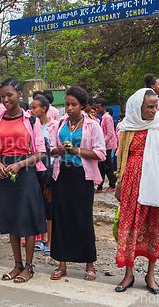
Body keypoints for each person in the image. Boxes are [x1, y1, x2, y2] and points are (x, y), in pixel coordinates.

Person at [114, 88, 159, 295]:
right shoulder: (128, 126)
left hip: (157, 180)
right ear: (137, 108)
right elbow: (121, 156)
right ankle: (129, 274)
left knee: (154, 224)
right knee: (131, 224)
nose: (153, 110)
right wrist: (119, 182)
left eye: (154, 106)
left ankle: (150, 275)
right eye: (149, 107)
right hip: (133, 181)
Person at [0, 78, 47, 283]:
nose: (5, 99)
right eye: (2, 96)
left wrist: (20, 164)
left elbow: (41, 153)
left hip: (25, 174)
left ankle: (29, 266)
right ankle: (17, 265)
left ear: (19, 95)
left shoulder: (31, 120)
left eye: (9, 95)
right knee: (11, 219)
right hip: (5, 174)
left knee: (27, 219)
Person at [50, 86, 106, 281]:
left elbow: (101, 153)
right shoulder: (60, 124)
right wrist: (58, 150)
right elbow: (51, 149)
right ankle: (62, 264)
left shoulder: (92, 125)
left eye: (74, 104)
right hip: (62, 175)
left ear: (82, 105)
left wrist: (76, 151)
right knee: (62, 219)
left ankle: (89, 264)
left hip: (83, 177)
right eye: (67, 104)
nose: (69, 108)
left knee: (83, 219)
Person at [30, 95, 59, 257]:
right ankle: (41, 238)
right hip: (34, 170)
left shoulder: (55, 126)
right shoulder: (31, 125)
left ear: (44, 109)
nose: (31, 110)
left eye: (34, 107)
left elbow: (57, 146)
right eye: (31, 107)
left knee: (49, 206)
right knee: (37, 205)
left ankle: (49, 241)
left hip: (50, 170)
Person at [95, 98, 117, 193]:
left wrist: (102, 143)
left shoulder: (107, 118)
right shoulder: (102, 118)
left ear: (104, 107)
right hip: (103, 146)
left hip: (107, 146)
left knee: (107, 166)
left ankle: (112, 184)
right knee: (101, 166)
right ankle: (100, 185)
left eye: (98, 107)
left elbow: (110, 133)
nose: (96, 109)